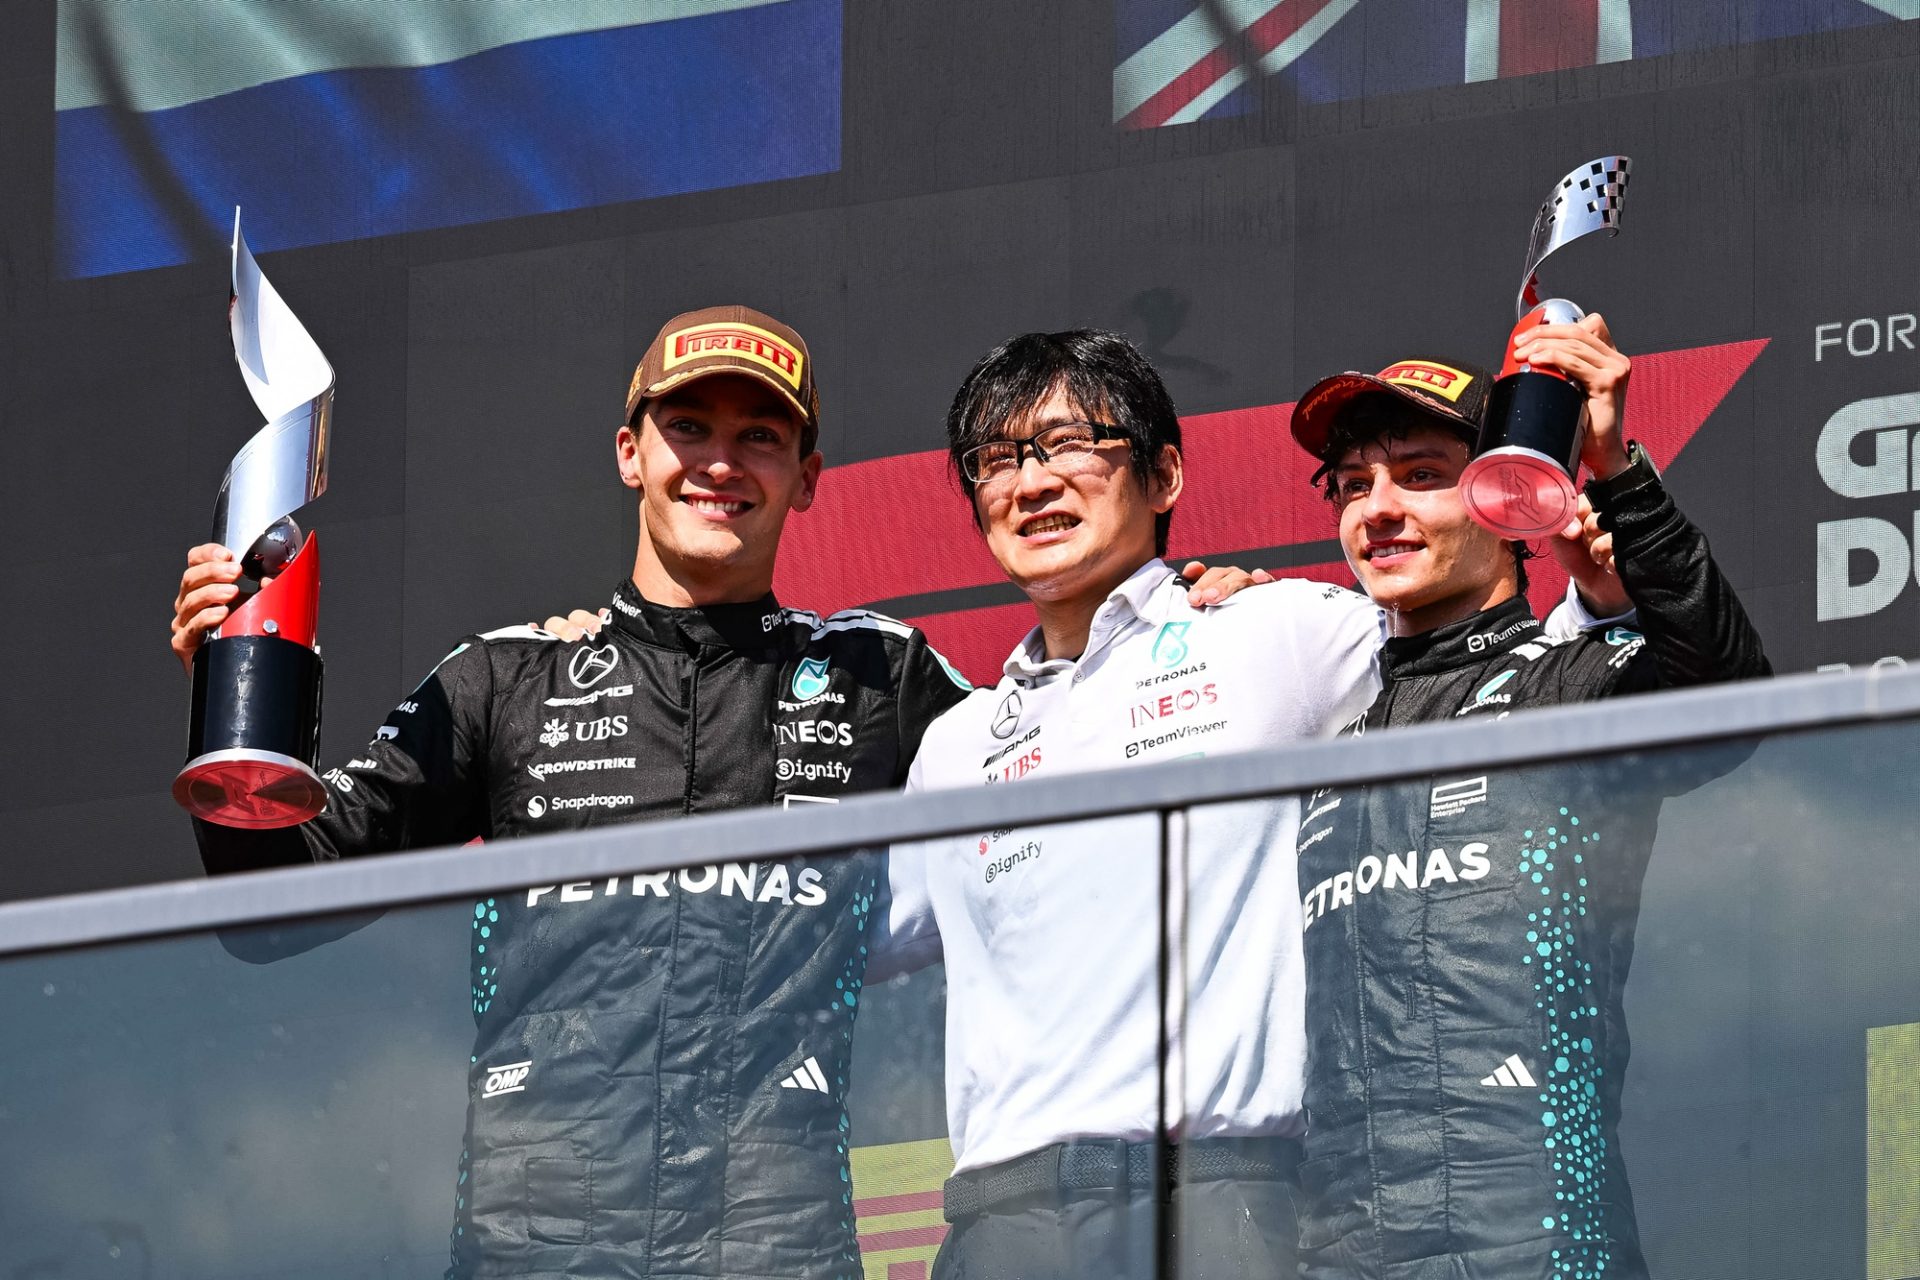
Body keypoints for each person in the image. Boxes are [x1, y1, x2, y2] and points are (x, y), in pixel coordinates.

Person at [169, 306, 977, 1279]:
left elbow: (1067, 772)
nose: (720, 461)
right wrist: (234, 705)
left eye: (759, 435)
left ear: (806, 477)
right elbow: (273, 901)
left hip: (777, 1245)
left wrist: (1197, 613)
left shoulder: (879, 674)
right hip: (536, 1247)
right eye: (690, 427)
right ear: (632, 452)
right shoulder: (505, 678)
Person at [868, 330, 1621, 1280]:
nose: (1033, 481)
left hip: (1226, 1200)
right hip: (1004, 1221)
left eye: (1071, 445)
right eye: (999, 459)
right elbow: (818, 947)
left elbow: (1512, 661)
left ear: (1165, 476)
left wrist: (1592, 521)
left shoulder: (1278, 631)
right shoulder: (957, 744)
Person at [1287, 317, 1770, 1279]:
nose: (1376, 510)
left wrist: (1614, 466)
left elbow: (1729, 694)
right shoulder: (1329, 746)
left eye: (1420, 475)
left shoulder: (1572, 686)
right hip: (1340, 1250)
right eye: (1351, 488)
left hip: (1537, 1234)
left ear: (1508, 495)